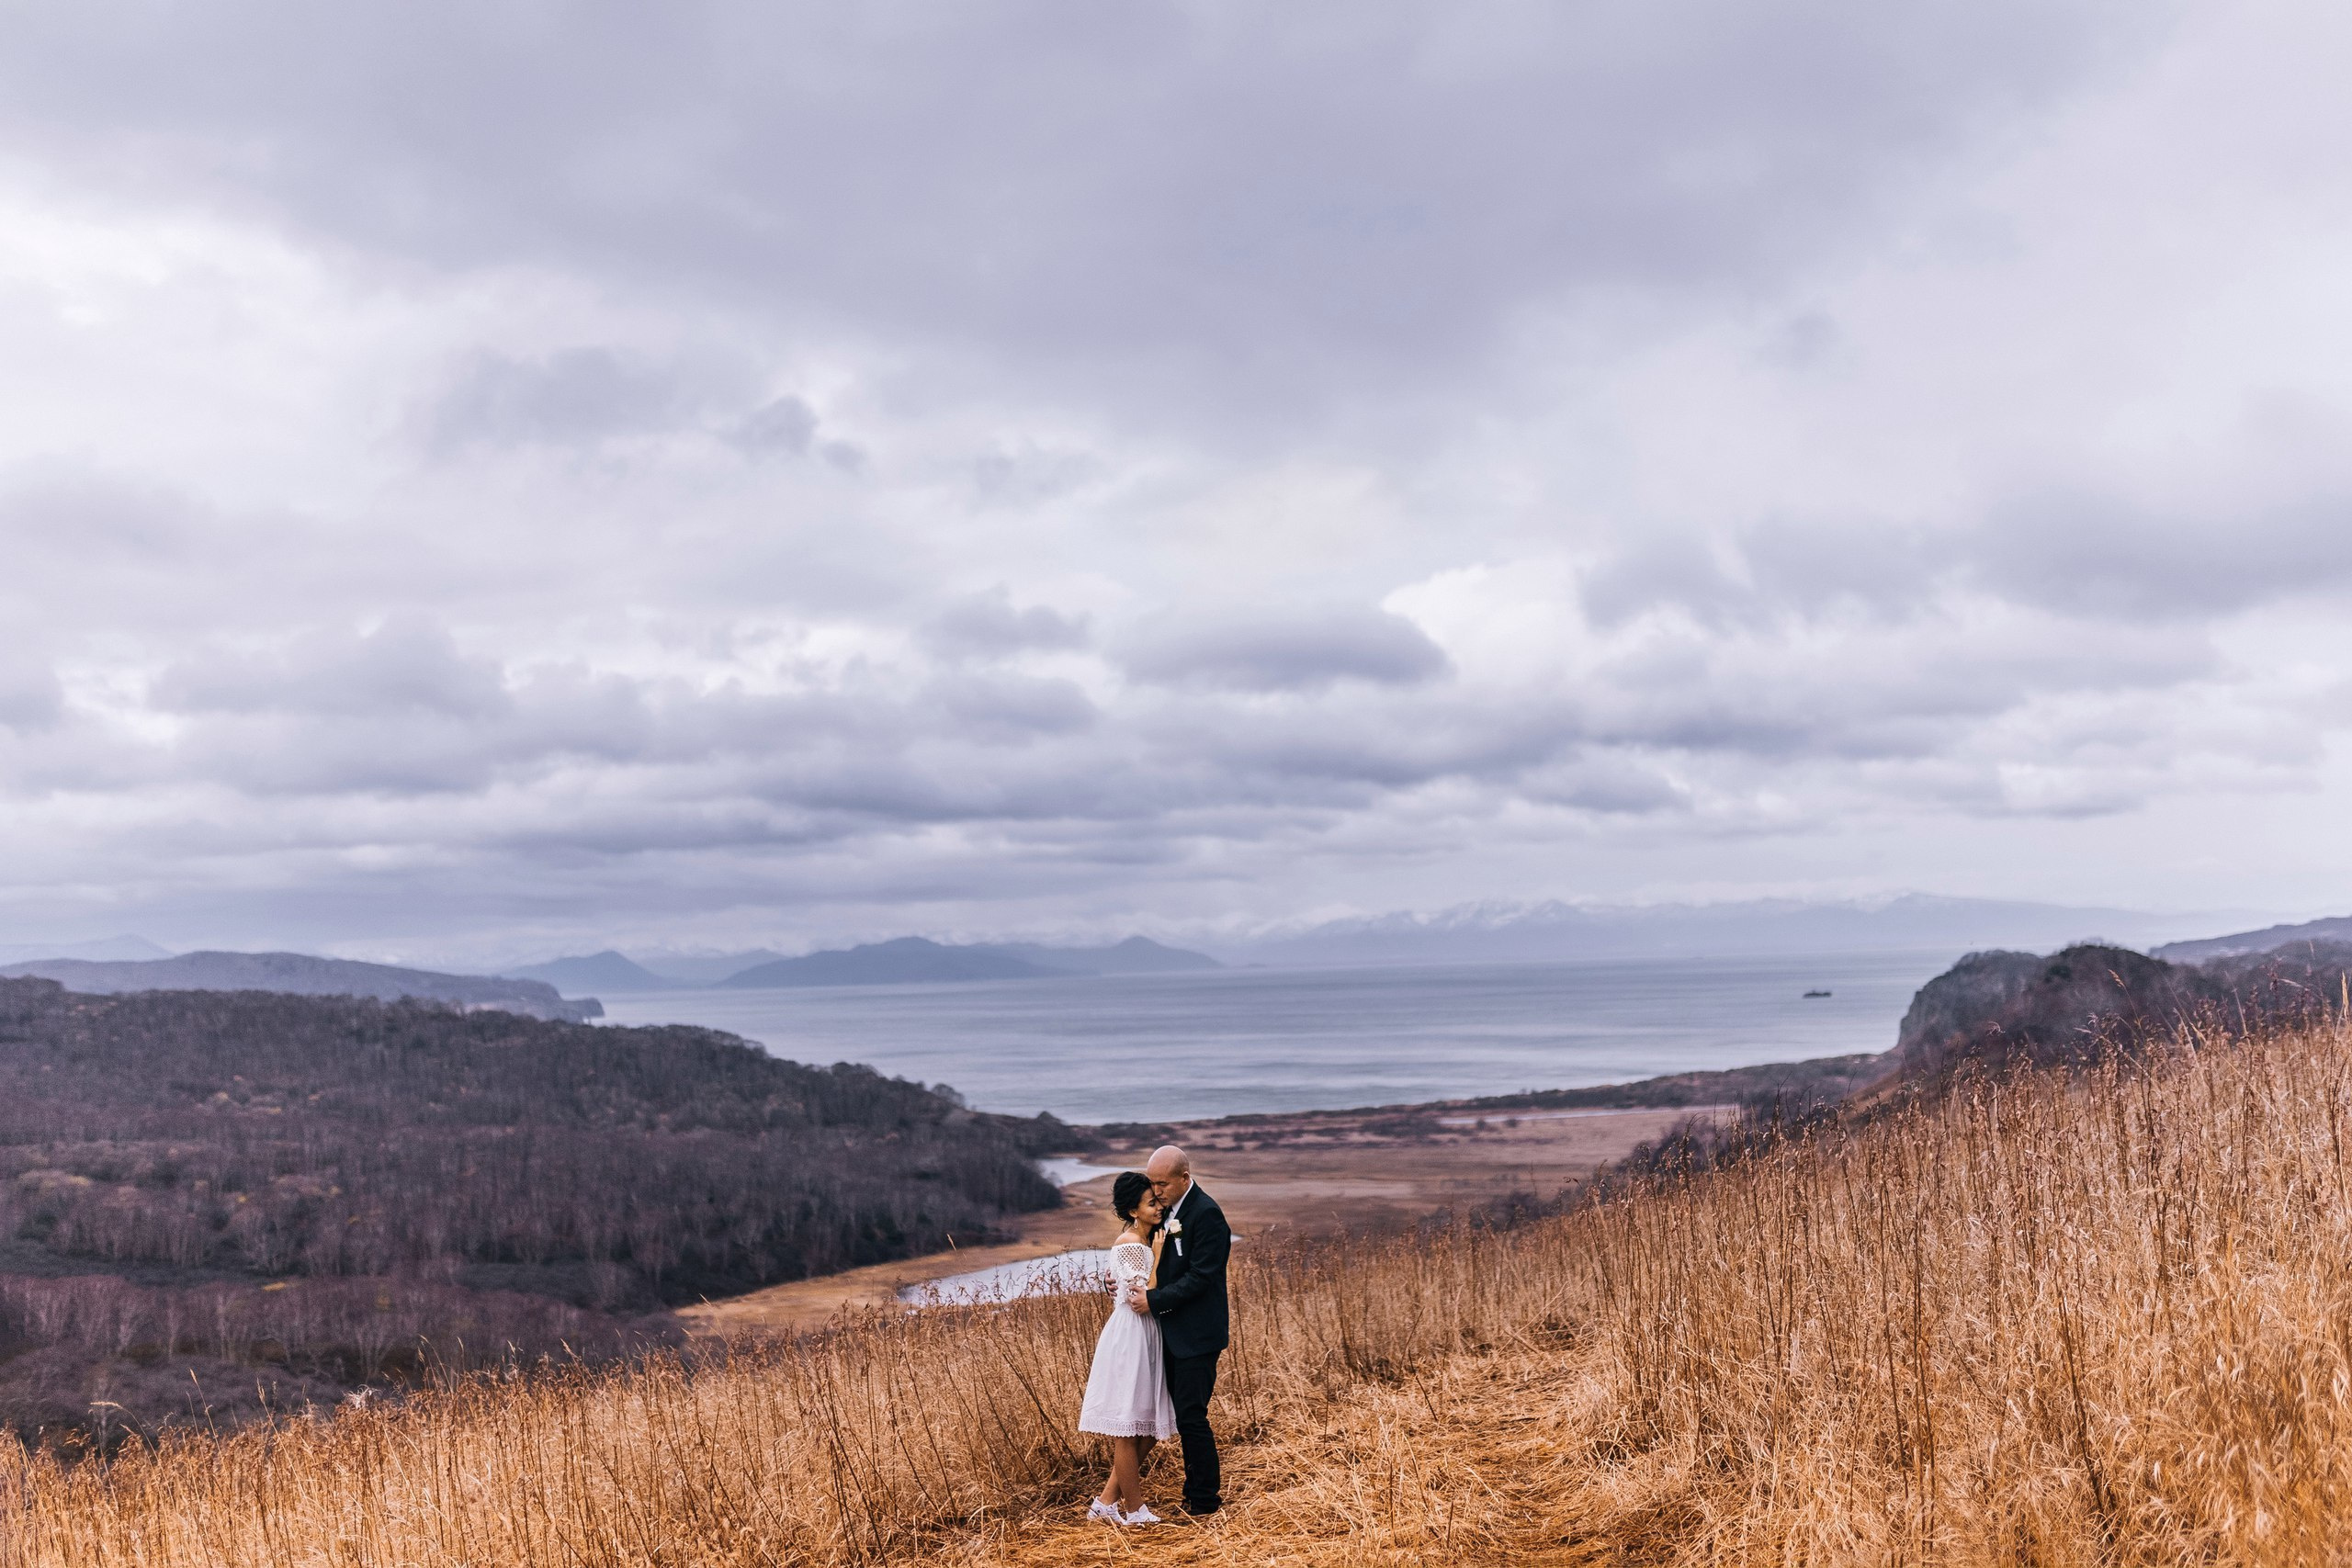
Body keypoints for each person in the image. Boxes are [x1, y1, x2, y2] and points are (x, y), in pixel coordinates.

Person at [1125, 1144, 1229, 1516]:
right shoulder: (1168, 1211)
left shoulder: (1207, 1215)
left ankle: (1204, 1501)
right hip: (1170, 1334)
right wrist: (1123, 1281)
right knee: (1178, 1416)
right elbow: (1154, 1261)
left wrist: (1153, 1302)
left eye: (1162, 1183)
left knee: (1191, 1417)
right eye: (1152, 1183)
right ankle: (1190, 1493)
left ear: (1184, 1178)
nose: (1155, 1191)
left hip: (1198, 1336)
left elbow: (1202, 1278)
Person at [1079, 1171, 1177, 1526]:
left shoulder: (1141, 1240)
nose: (1159, 1208)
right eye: (1151, 1204)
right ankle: (1135, 1511)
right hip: (1133, 1334)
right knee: (1129, 1426)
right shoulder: (1135, 1243)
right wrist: (1160, 1254)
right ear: (1133, 1210)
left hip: (1143, 1334)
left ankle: (1105, 1503)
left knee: (1146, 1425)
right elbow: (1140, 1297)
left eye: (1159, 1201)